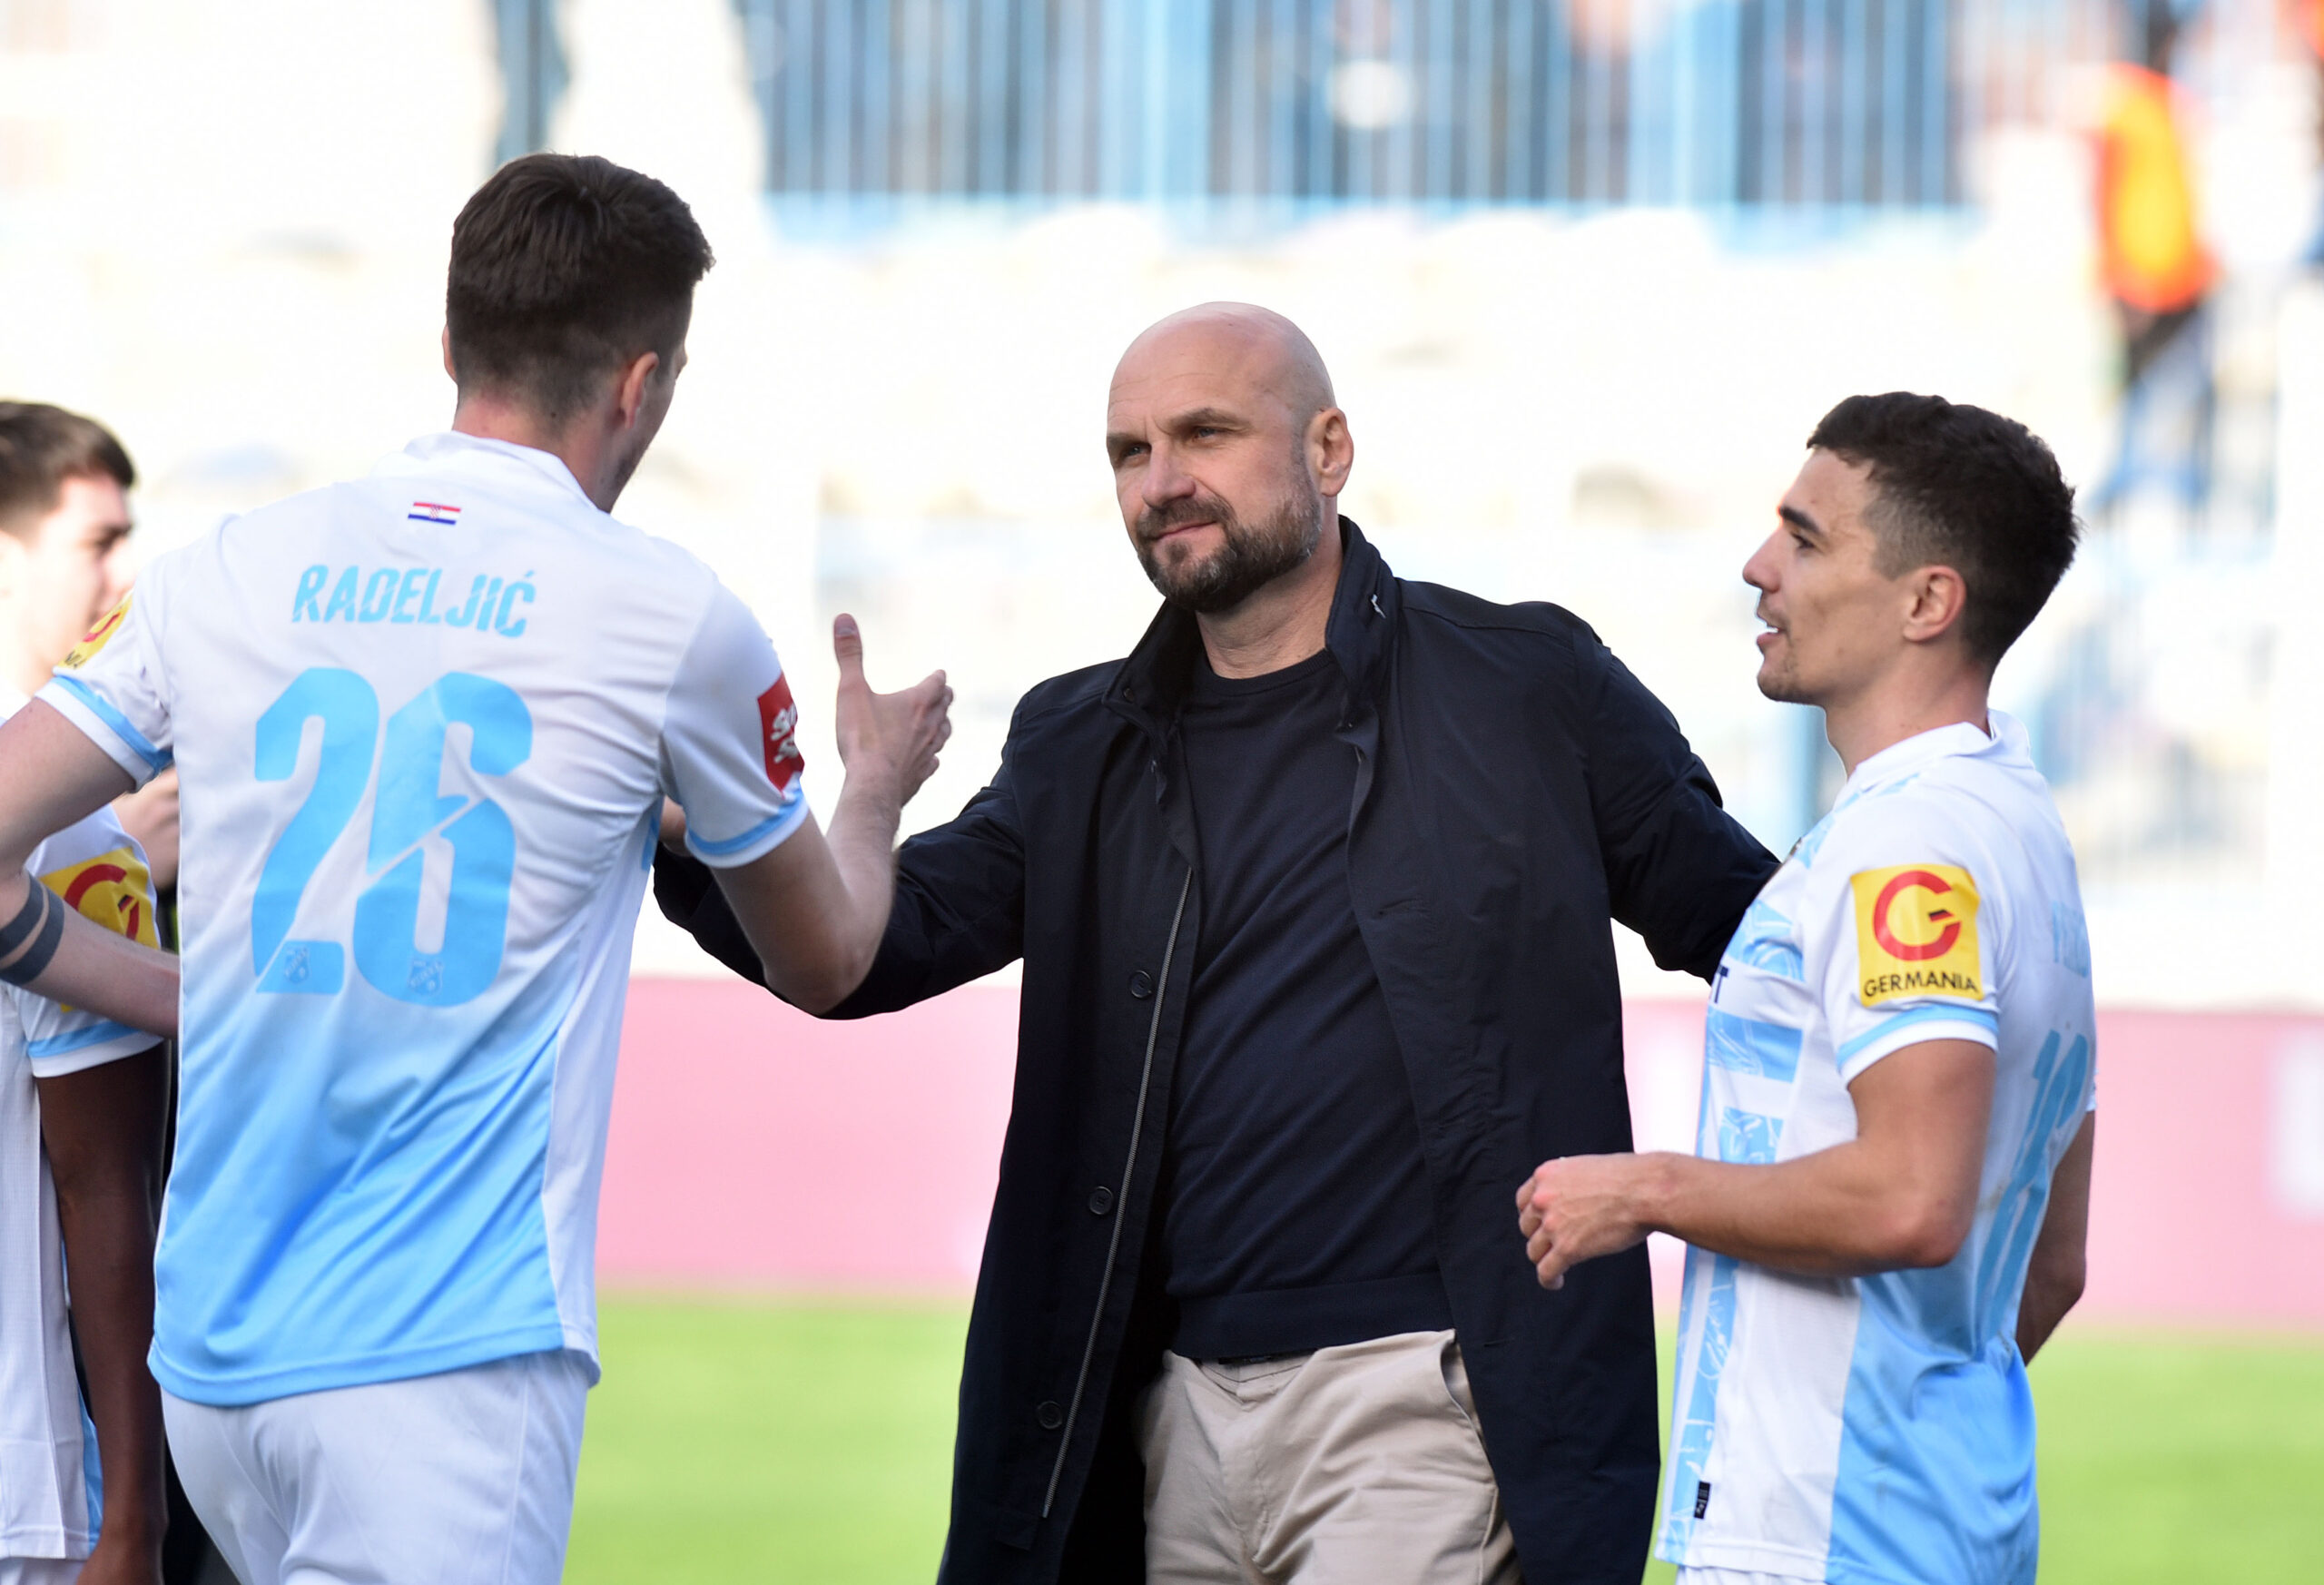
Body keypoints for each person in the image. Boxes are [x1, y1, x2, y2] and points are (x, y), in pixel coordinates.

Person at [655, 303, 1777, 1583]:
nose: (1161, 481)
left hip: (1423, 1402)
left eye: (1205, 434)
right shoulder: (1078, 742)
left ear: (1329, 449)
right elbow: (873, 947)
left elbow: (1758, 932)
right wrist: (708, 834)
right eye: (1129, 451)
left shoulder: (1527, 684)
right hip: (1162, 1422)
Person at [0, 153, 951, 1585]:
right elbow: (826, 957)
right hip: (442, 1367)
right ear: (643, 383)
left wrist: (175, 989)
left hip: (214, 1363)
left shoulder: (226, 568)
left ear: (450, 342)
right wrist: (872, 789)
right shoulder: (668, 615)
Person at [1517, 392, 2096, 1585]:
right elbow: (2053, 1262)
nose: (1759, 566)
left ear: (1928, 602)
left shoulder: (1907, 850)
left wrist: (1646, 1189)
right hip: (1929, 1523)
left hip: (1833, 1539)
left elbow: (1914, 1199)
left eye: (1806, 538)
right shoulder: (2019, 827)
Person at [0, 403, 168, 1585]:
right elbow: (109, 1189)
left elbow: (108, 1182)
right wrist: (133, 1527)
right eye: (96, 542)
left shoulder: (82, 829)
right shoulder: (72, 832)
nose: (124, 578)